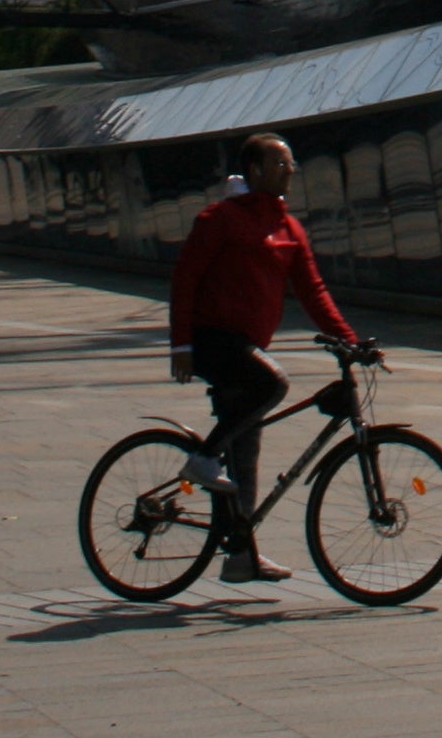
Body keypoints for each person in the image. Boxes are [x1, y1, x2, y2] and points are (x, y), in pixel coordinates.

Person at [167, 132, 367, 585]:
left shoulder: (288, 228)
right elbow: (185, 279)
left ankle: (240, 557)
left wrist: (350, 340)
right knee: (273, 384)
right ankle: (202, 457)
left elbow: (313, 291)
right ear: (255, 170)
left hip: (248, 347)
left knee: (248, 453)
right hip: (211, 340)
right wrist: (181, 345)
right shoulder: (220, 219)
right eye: (281, 163)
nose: (290, 170)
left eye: (291, 163)